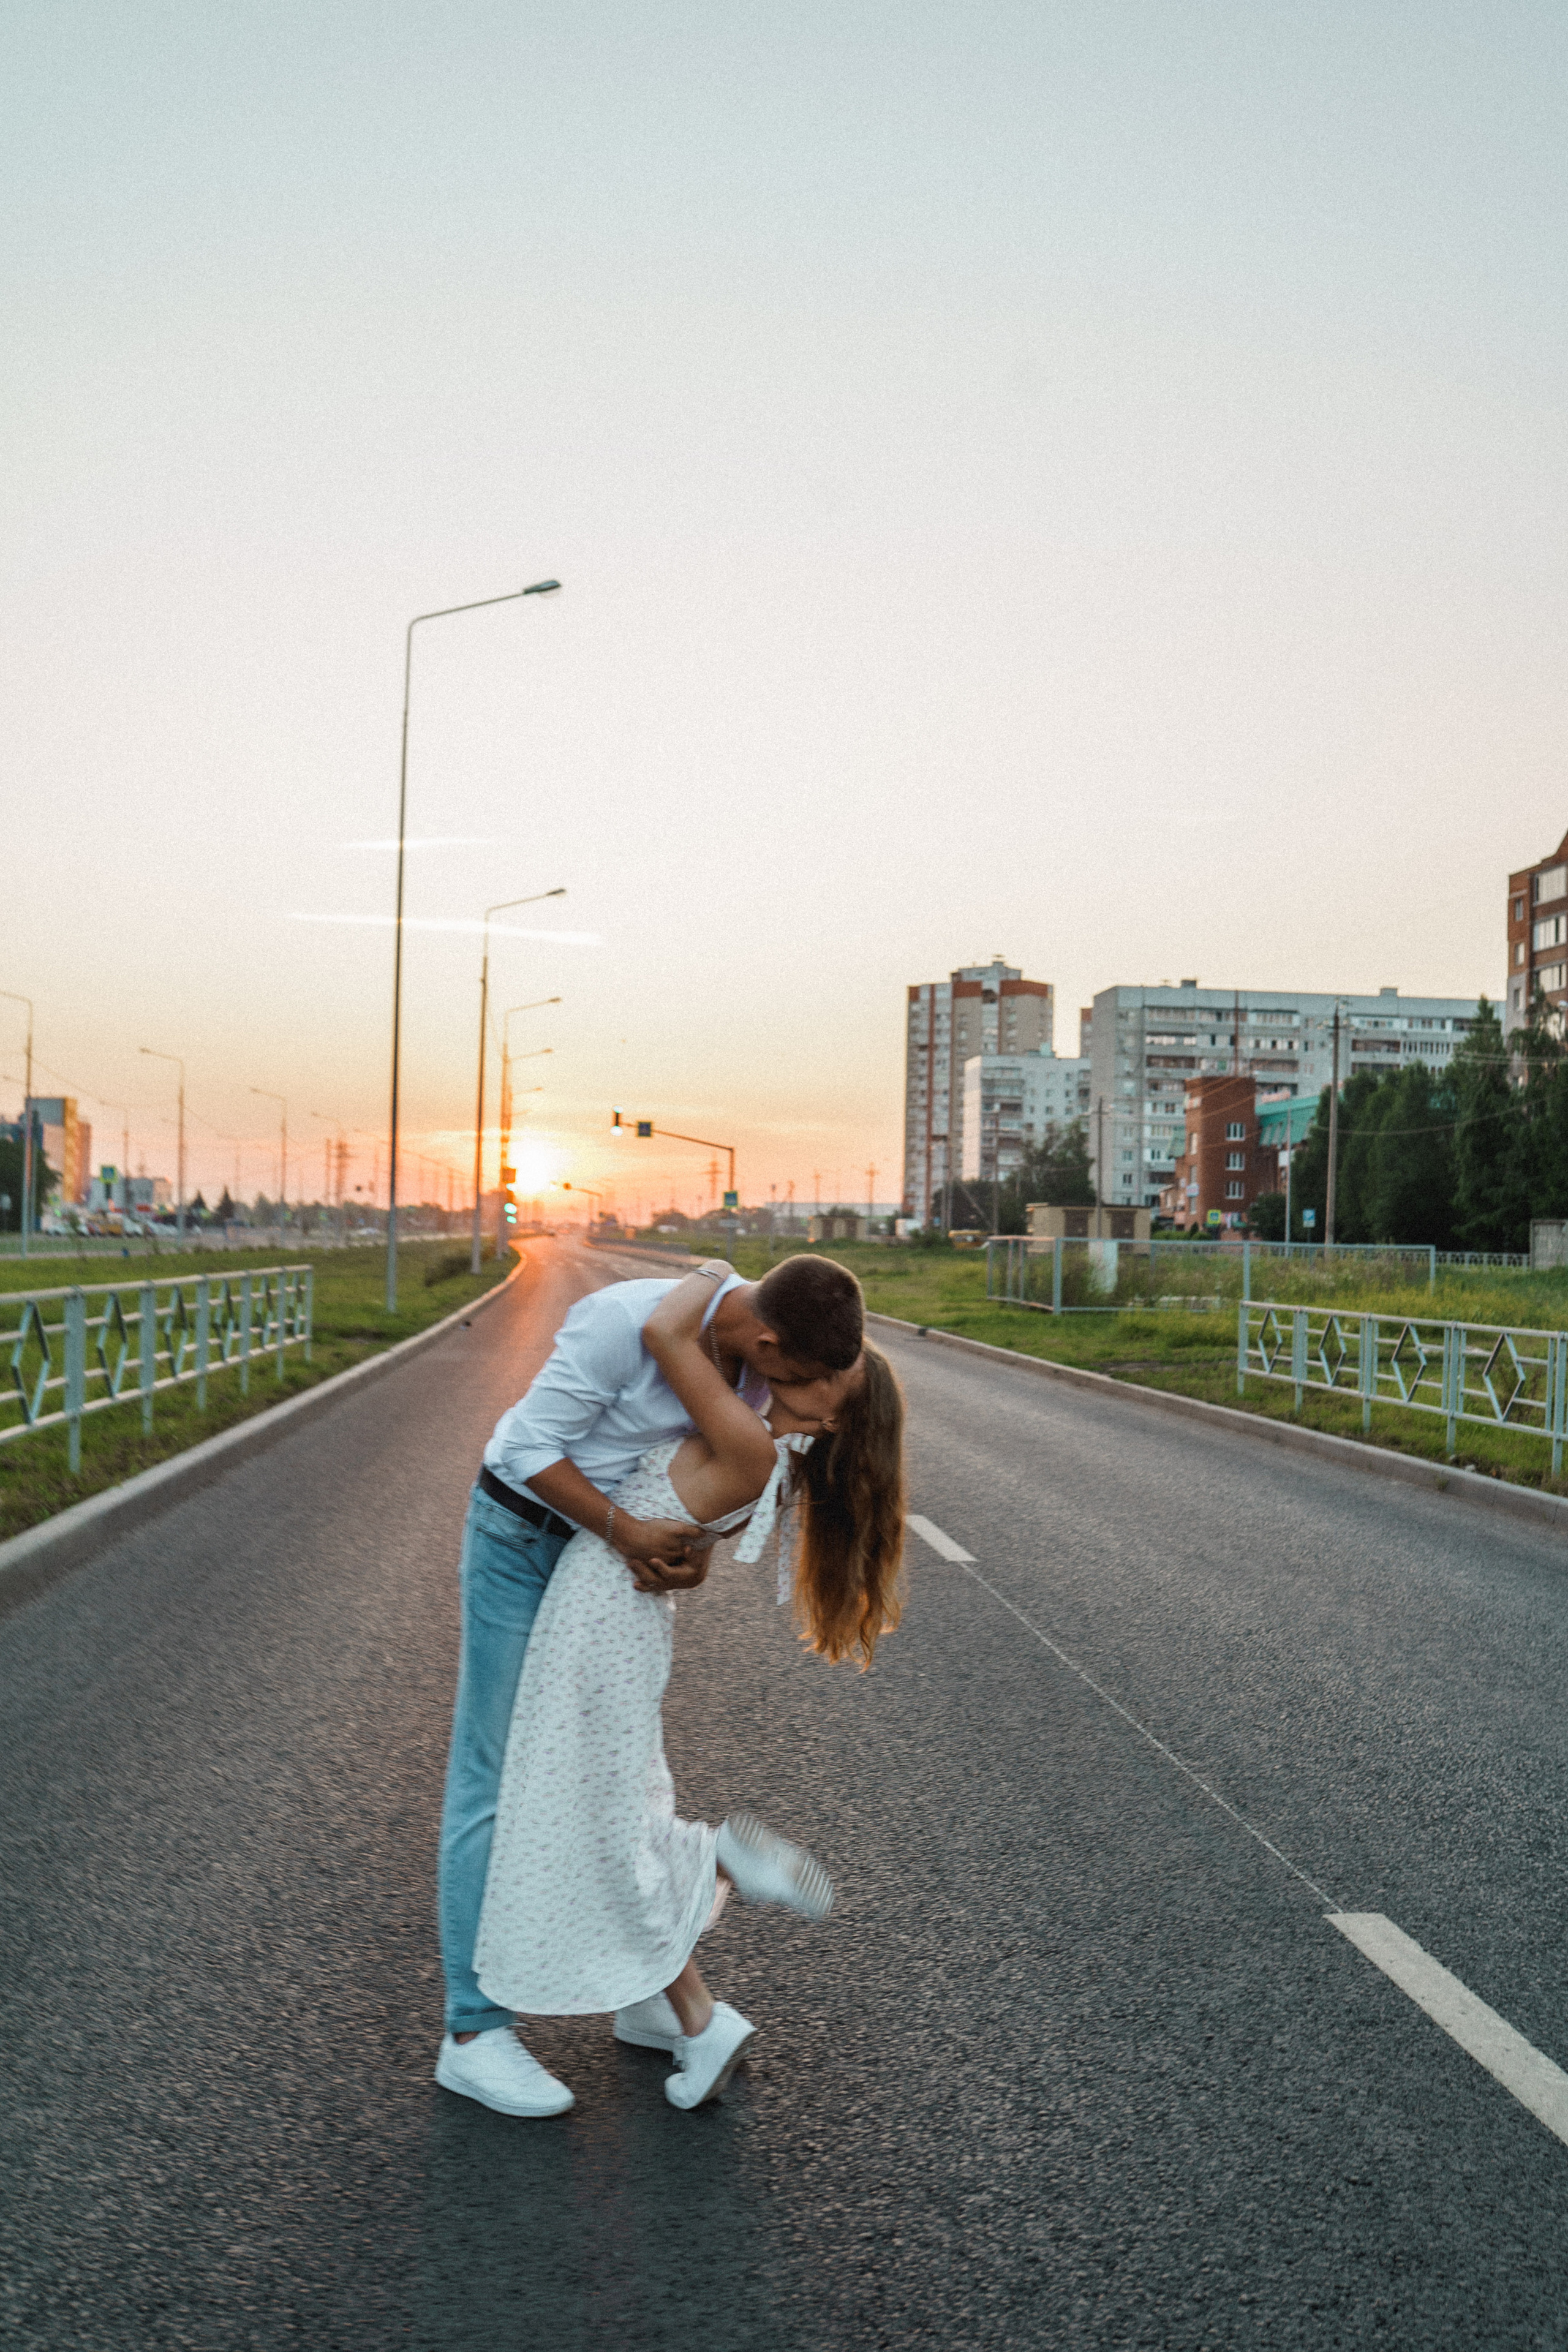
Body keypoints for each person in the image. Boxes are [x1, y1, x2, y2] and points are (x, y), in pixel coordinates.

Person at [434, 1251, 865, 2117]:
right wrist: (628, 1531)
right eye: (808, 1378)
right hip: (523, 1540)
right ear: (771, 1340)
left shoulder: (748, 1380)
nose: (800, 1399)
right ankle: (472, 2035)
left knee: (612, 1778)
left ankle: (641, 1992)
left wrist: (682, 1559)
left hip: (604, 1568)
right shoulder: (620, 1324)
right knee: (496, 1784)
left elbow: (690, 1484)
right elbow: (521, 1449)